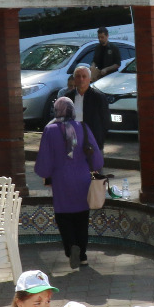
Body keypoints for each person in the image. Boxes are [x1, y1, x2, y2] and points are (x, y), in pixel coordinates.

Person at [35, 96, 105, 269]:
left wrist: (44, 173)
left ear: (56, 110)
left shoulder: (50, 130)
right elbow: (96, 159)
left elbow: (44, 163)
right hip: (82, 181)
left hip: (61, 182)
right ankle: (83, 256)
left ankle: (70, 248)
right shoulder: (83, 127)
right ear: (73, 110)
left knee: (64, 218)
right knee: (82, 219)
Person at [58, 64, 111, 150]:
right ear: (74, 79)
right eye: (78, 76)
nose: (81, 79)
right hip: (72, 141)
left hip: (93, 142)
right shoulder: (68, 97)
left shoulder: (98, 97)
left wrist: (99, 140)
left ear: (89, 79)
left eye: (84, 76)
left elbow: (105, 121)